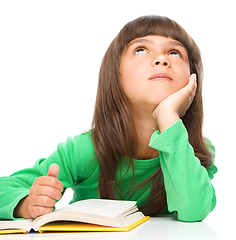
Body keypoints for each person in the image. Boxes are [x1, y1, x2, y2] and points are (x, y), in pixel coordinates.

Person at [0, 15, 217, 222]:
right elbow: (5, 187)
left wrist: (168, 116)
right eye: (141, 50)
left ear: (192, 78)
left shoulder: (193, 150)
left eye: (175, 53)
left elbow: (194, 210)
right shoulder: (84, 150)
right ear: (115, 74)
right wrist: (25, 204)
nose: (161, 59)